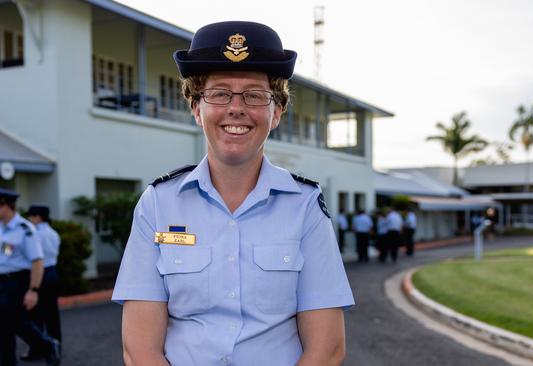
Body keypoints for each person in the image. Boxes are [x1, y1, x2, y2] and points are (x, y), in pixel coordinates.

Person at [113, 21, 354, 365]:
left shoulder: (305, 207)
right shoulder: (159, 204)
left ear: (277, 113)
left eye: (255, 95)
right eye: (220, 93)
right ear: (196, 108)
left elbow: (326, 348)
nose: (236, 108)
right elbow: (140, 350)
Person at [0, 188, 60, 366]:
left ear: (5, 206)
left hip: (17, 282)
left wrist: (33, 290)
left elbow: (37, 261)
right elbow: (1, 261)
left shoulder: (25, 229)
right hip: (0, 283)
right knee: (1, 328)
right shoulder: (0, 230)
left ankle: (46, 345)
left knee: (19, 323)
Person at [20, 205, 62, 361]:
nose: (29, 219)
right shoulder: (53, 233)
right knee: (52, 314)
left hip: (40, 274)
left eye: (31, 216)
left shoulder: (34, 234)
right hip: (52, 272)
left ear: (38, 217)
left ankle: (38, 349)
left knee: (35, 315)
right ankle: (56, 345)